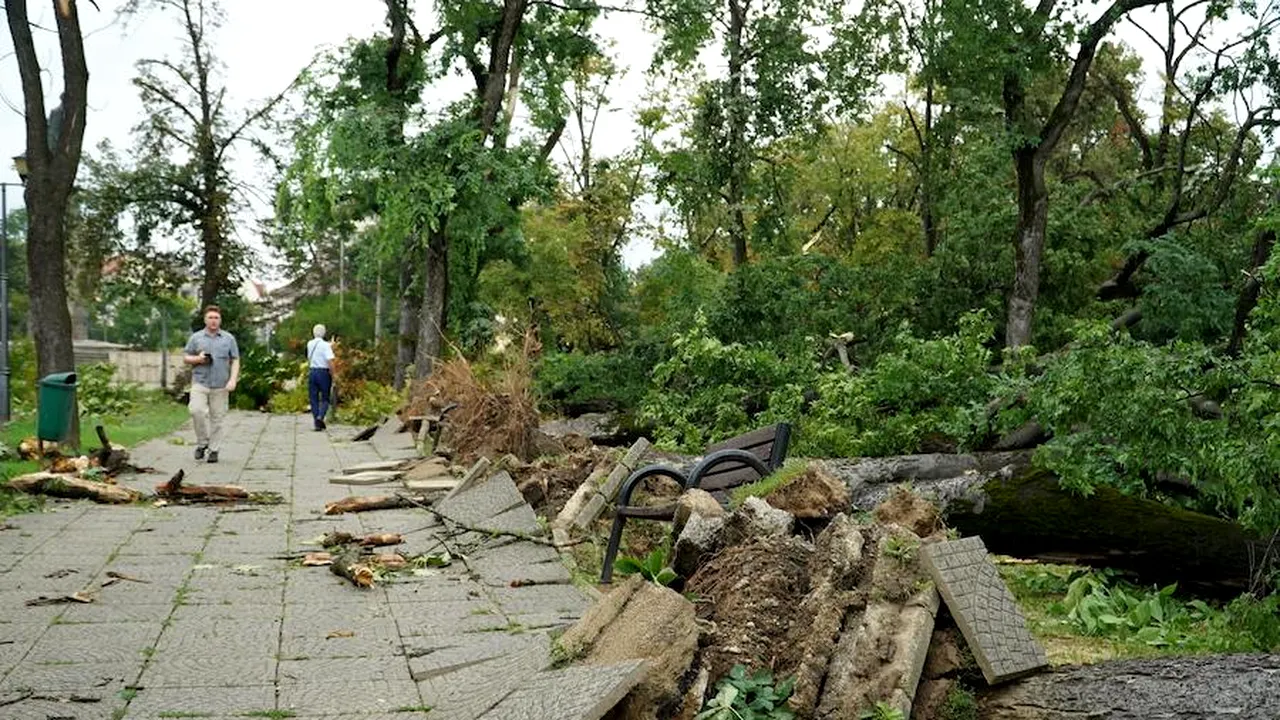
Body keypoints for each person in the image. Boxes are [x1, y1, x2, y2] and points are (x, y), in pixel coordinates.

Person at [182, 305, 240, 463]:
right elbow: (186, 357)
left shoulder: (228, 339)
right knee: (196, 410)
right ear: (205, 320)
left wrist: (233, 379)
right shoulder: (196, 338)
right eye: (210, 318)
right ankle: (202, 442)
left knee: (217, 418)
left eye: (216, 318)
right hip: (200, 381)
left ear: (220, 320)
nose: (213, 321)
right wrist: (198, 359)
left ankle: (214, 449)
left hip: (221, 383)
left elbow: (235, 359)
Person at [306, 324, 336, 431]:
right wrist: (334, 374)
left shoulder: (310, 344)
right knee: (325, 397)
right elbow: (330, 361)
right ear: (324, 333)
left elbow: (318, 349)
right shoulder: (326, 346)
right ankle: (320, 417)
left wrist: (330, 345)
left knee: (313, 398)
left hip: (312, 371)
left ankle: (316, 421)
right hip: (323, 373)